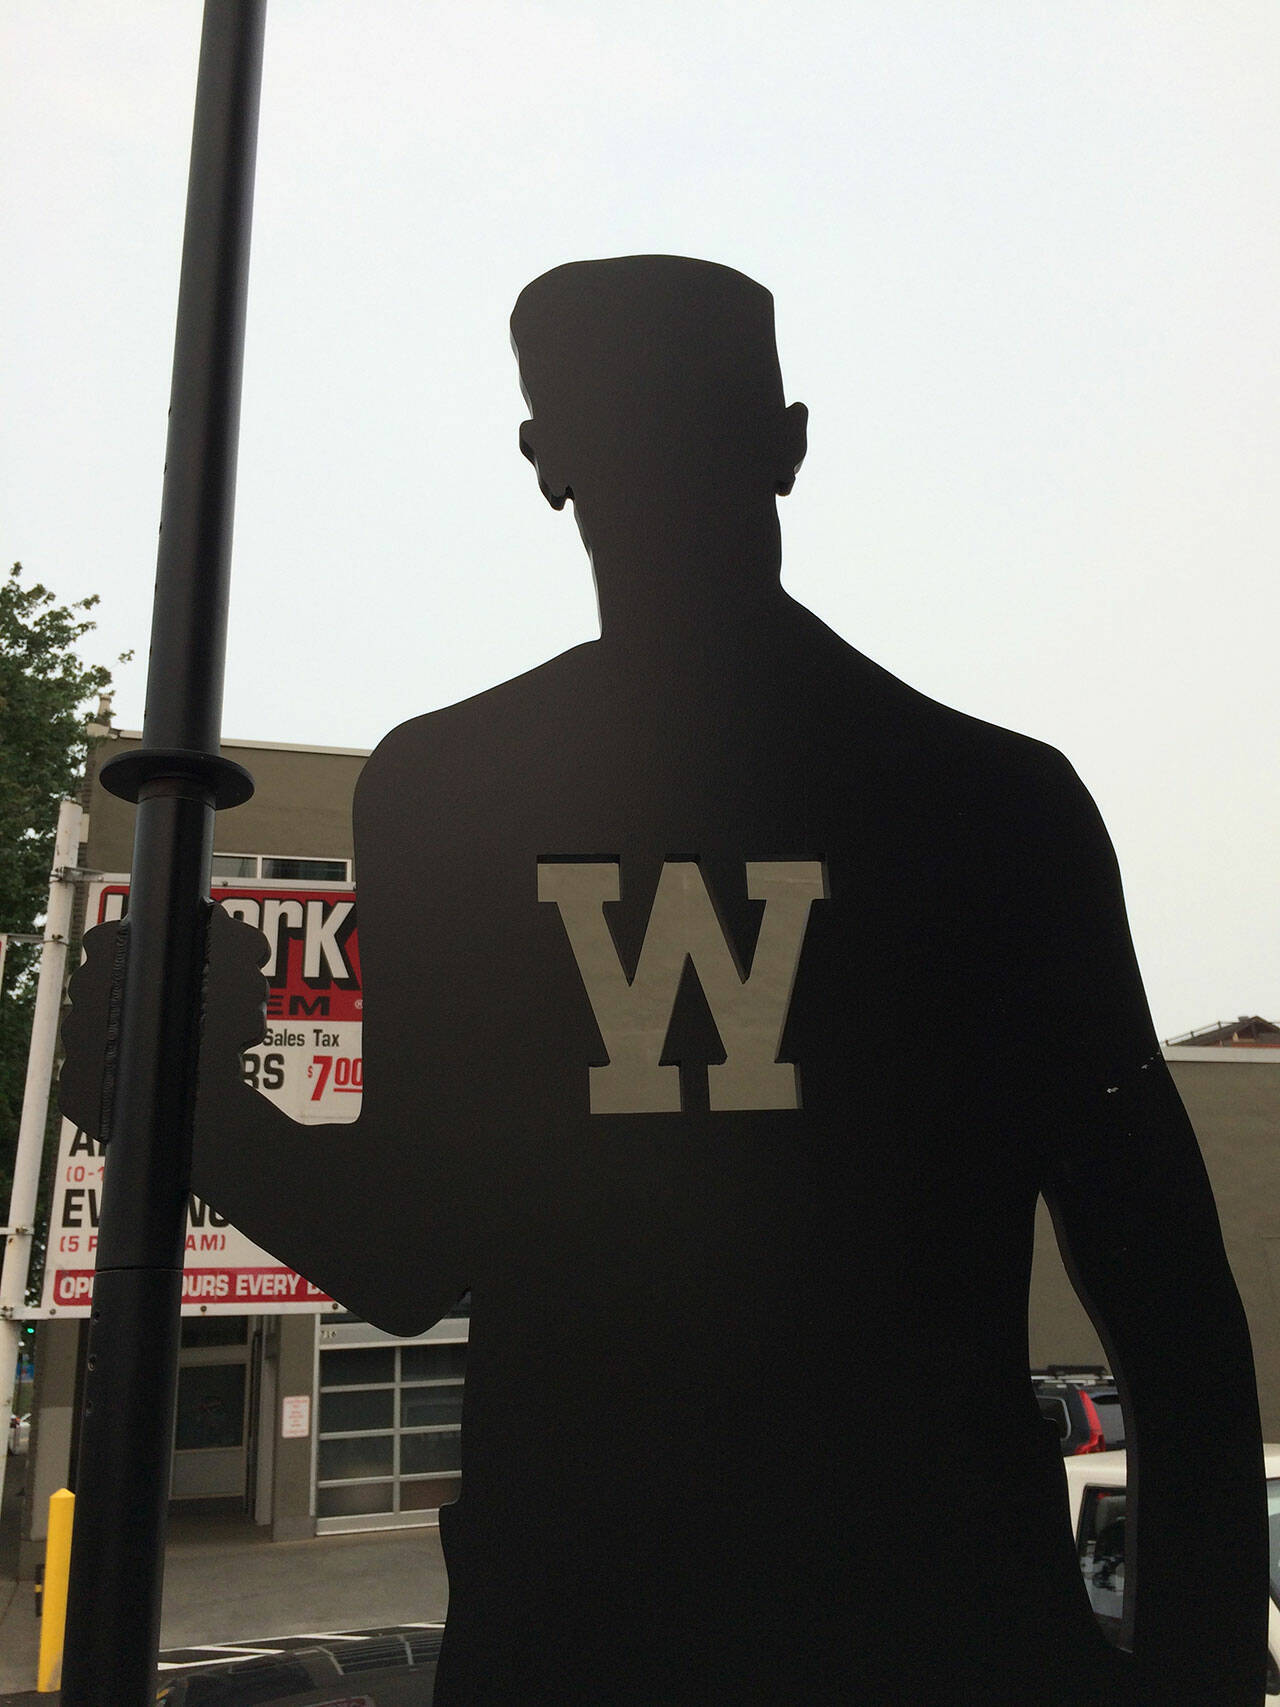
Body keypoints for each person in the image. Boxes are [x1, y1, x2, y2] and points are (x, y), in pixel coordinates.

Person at [66, 257, 1266, 1703]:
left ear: (544, 460)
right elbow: (1168, 1291)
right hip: (936, 1618)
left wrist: (186, 1101)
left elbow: (408, 1256)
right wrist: (1195, 1667)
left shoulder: (452, 789)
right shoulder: (992, 798)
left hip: (587, 1625)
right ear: (788, 442)